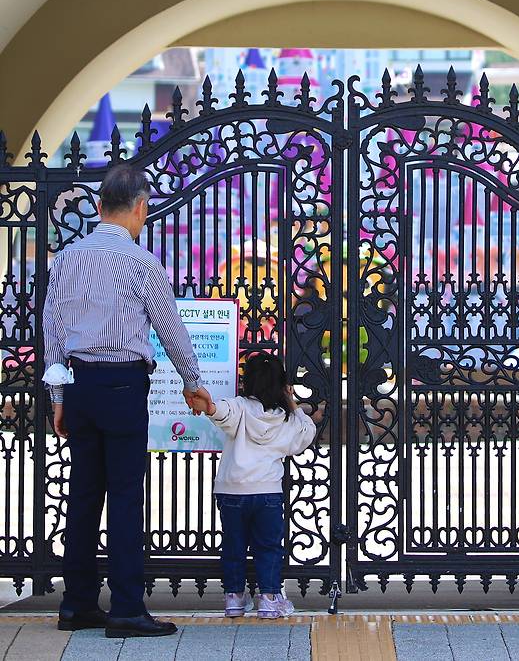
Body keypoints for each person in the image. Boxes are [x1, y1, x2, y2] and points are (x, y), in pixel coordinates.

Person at [43, 164, 212, 639]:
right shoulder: (142, 263)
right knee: (123, 496)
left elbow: (51, 330)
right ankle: (126, 608)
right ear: (141, 208)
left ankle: (75, 603)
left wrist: (58, 396)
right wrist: (191, 380)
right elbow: (170, 328)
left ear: (99, 208)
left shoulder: (68, 259)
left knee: (83, 494)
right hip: (121, 385)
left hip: (77, 384)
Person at [189, 353, 315, 619]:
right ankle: (269, 599)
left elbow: (221, 411)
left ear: (247, 383)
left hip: (231, 490)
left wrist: (209, 407)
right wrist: (291, 399)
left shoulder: (240, 407)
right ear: (281, 384)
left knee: (234, 545)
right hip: (267, 491)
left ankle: (233, 598)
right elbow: (307, 432)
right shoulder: (287, 418)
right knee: (268, 547)